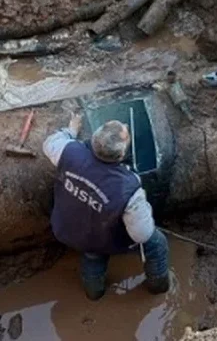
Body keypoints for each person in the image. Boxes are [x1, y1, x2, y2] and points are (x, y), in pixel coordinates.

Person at [43, 113, 170, 300]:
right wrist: (144, 209)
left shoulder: (69, 152)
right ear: (121, 155)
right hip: (101, 238)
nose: (126, 125)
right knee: (156, 244)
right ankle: (158, 288)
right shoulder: (128, 188)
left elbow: (49, 143)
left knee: (92, 254)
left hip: (68, 227)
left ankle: (94, 295)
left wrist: (71, 130)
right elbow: (141, 234)